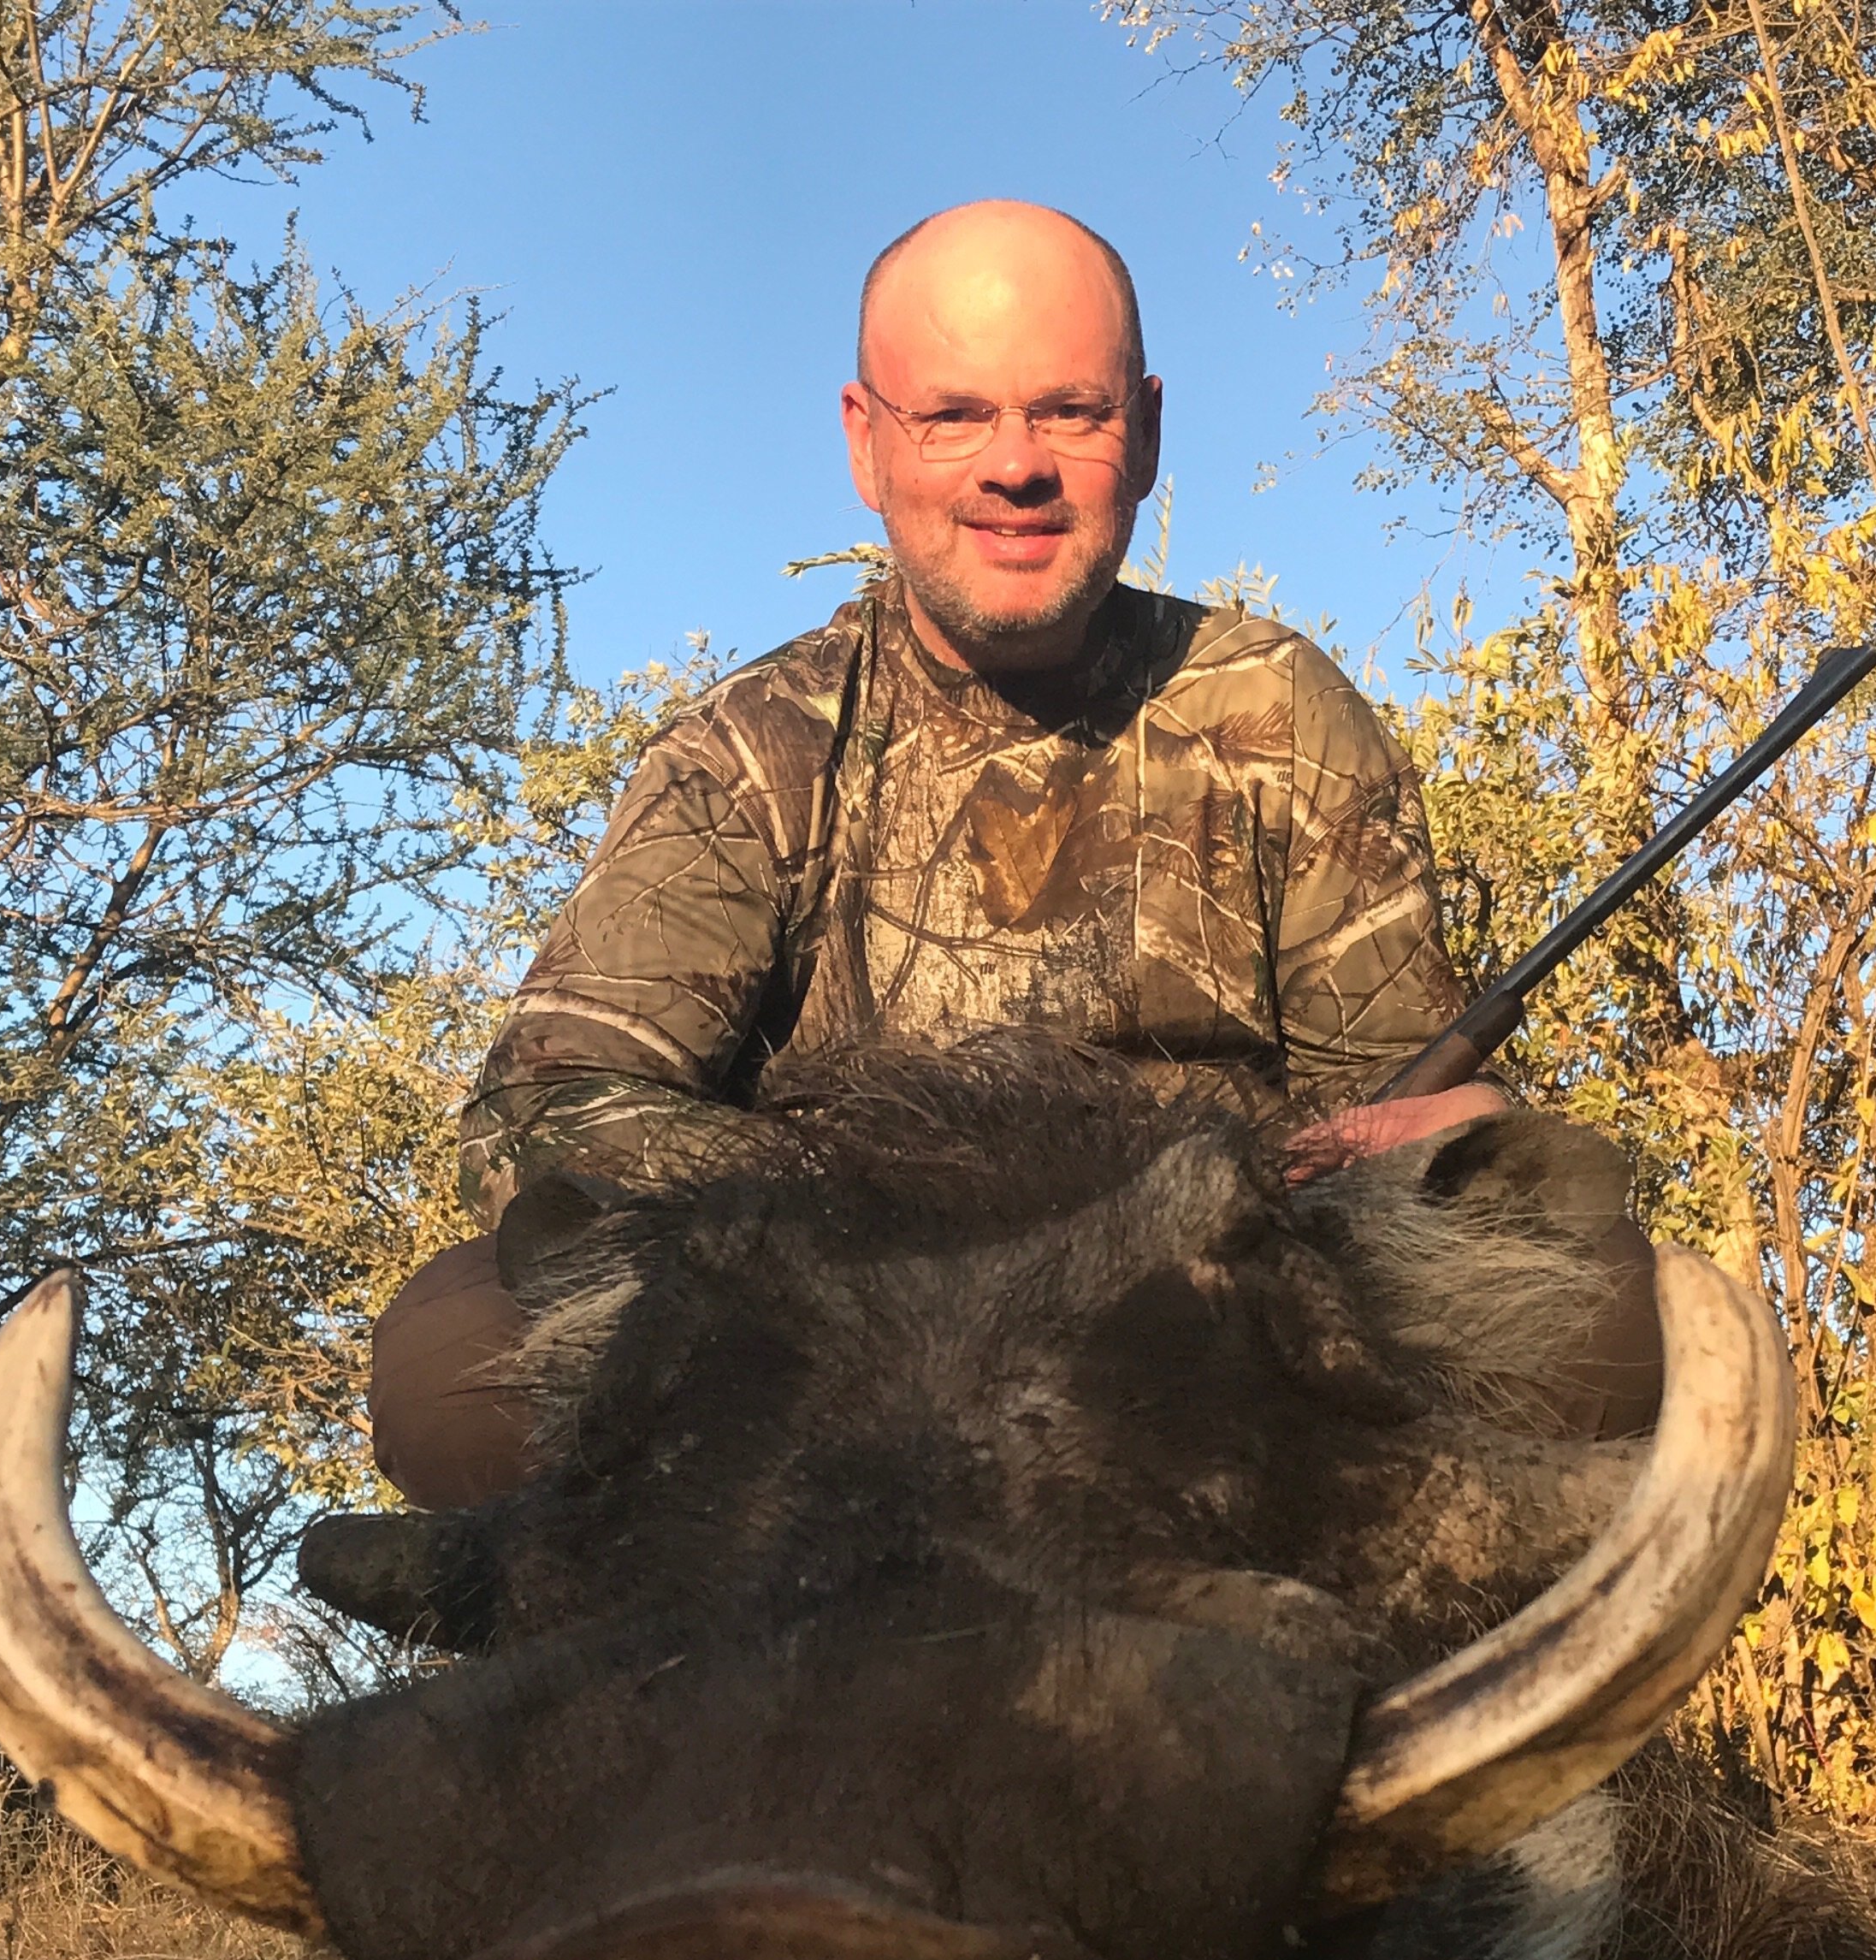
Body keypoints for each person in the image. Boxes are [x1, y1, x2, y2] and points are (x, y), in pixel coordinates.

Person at [370, 200, 1577, 1511]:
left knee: (1600, 1307)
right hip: (830, 1316)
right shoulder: (751, 751)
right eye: (953, 415)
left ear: (1150, 431)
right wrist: (920, 1214)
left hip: (1217, 1311)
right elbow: (543, 1113)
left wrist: (1448, 1138)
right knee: (450, 1370)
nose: (1017, 466)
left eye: (1070, 411)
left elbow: (1391, 1098)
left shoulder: (1286, 714)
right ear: (867, 444)